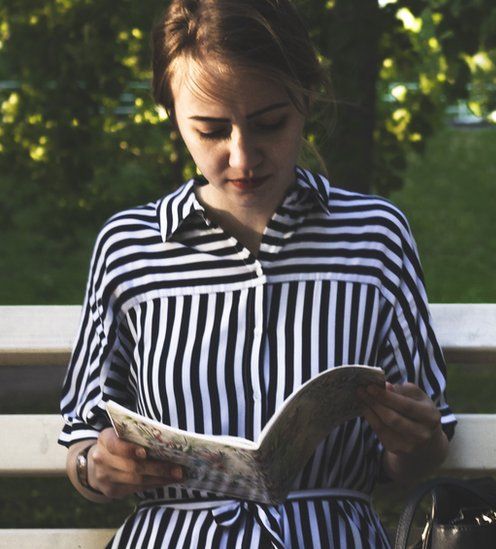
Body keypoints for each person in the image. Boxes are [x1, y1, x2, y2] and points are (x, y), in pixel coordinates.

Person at [58, 1, 455, 547]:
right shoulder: (129, 247)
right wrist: (100, 467)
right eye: (211, 130)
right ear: (171, 112)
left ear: (307, 98)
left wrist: (417, 438)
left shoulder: (375, 235)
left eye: (270, 124)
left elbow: (422, 451)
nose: (242, 158)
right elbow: (83, 437)